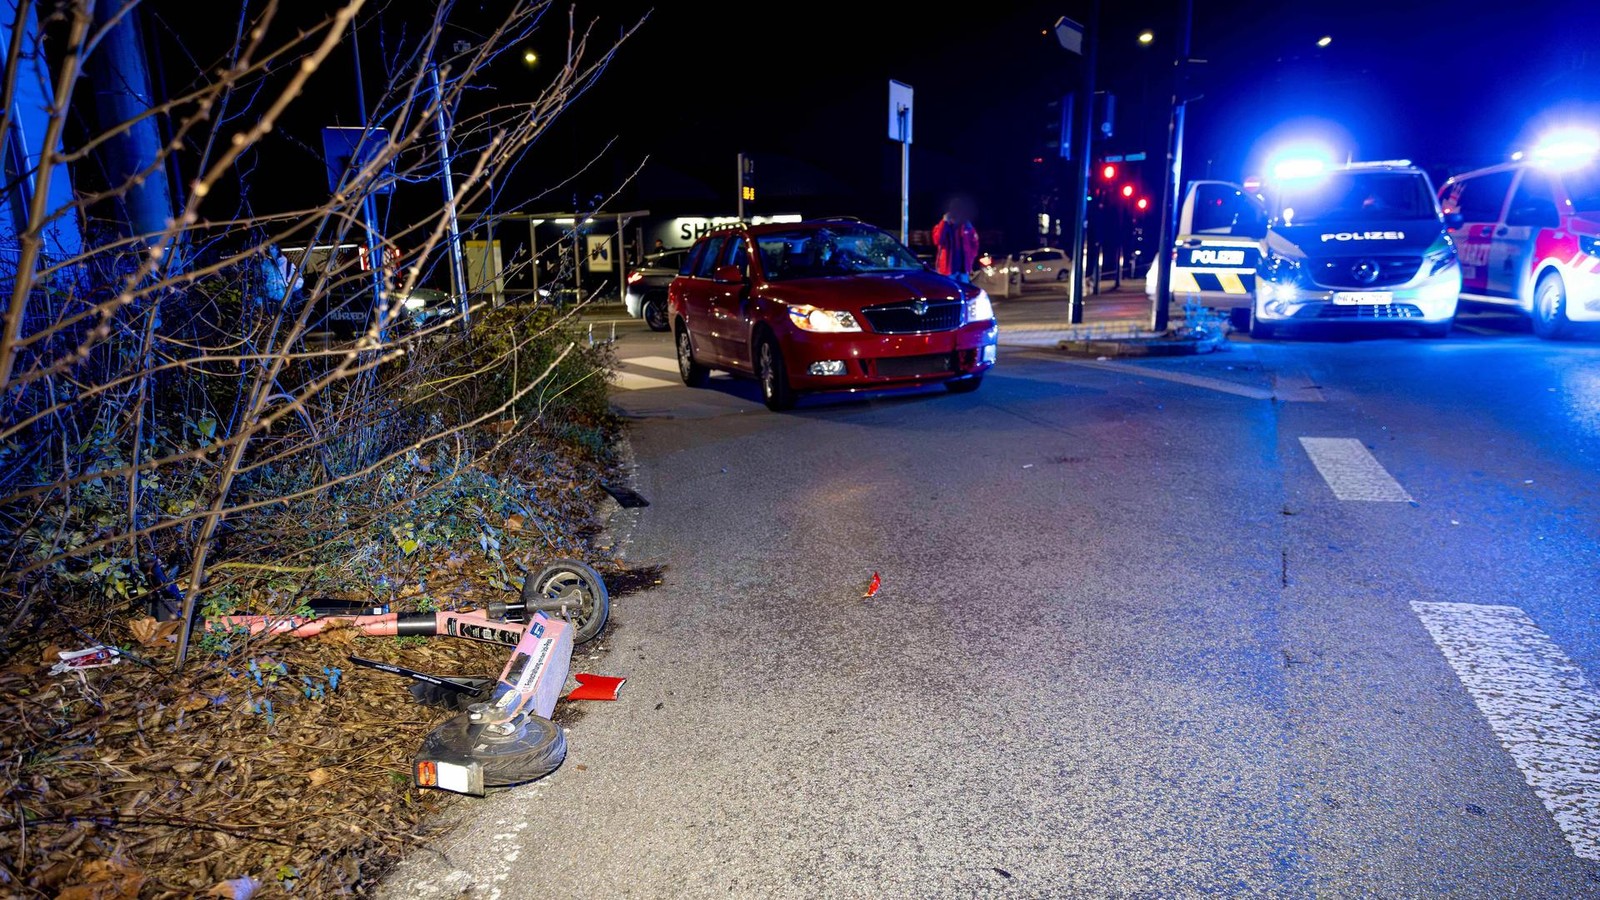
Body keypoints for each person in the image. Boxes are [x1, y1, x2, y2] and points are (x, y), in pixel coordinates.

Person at [932, 204, 979, 283]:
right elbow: (938, 240)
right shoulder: (942, 226)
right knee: (948, 291)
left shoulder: (967, 227)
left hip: (963, 269)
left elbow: (975, 244)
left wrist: (970, 260)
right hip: (947, 270)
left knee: (964, 291)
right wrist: (944, 222)